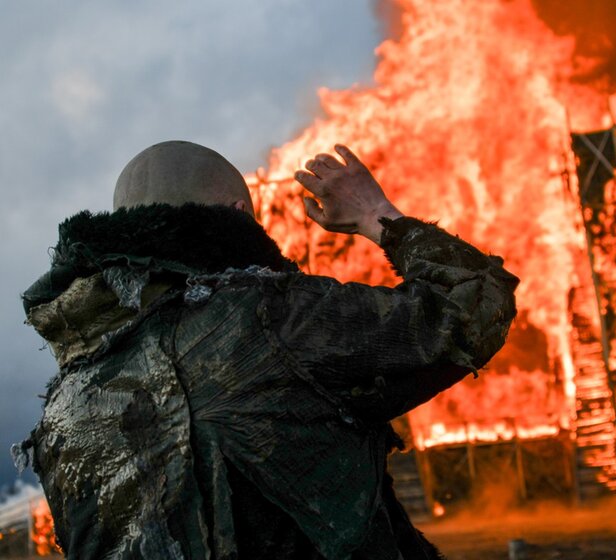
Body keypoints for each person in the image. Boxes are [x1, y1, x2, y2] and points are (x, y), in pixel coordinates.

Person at [16, 141, 518, 559]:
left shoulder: (66, 400)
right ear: (240, 216)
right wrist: (374, 215)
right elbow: (471, 307)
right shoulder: (265, 317)